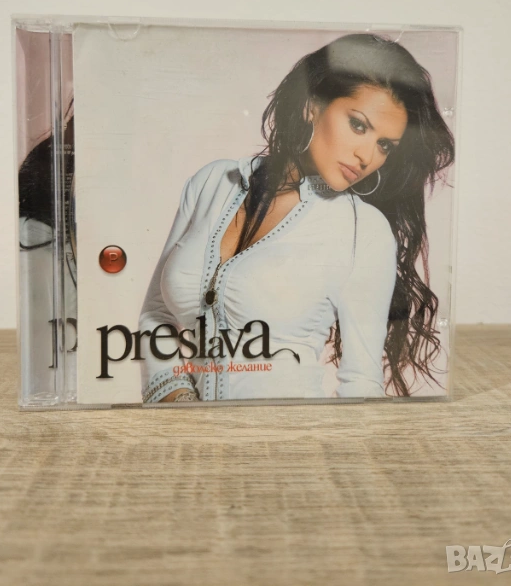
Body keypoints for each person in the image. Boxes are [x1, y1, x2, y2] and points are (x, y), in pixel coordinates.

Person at [139, 33, 455, 403]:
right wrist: (180, 402)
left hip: (291, 433)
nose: (367, 156)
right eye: (358, 125)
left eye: (384, 145)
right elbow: (155, 314)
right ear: (311, 106)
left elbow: (361, 383)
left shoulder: (364, 231)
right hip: (187, 434)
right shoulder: (213, 182)